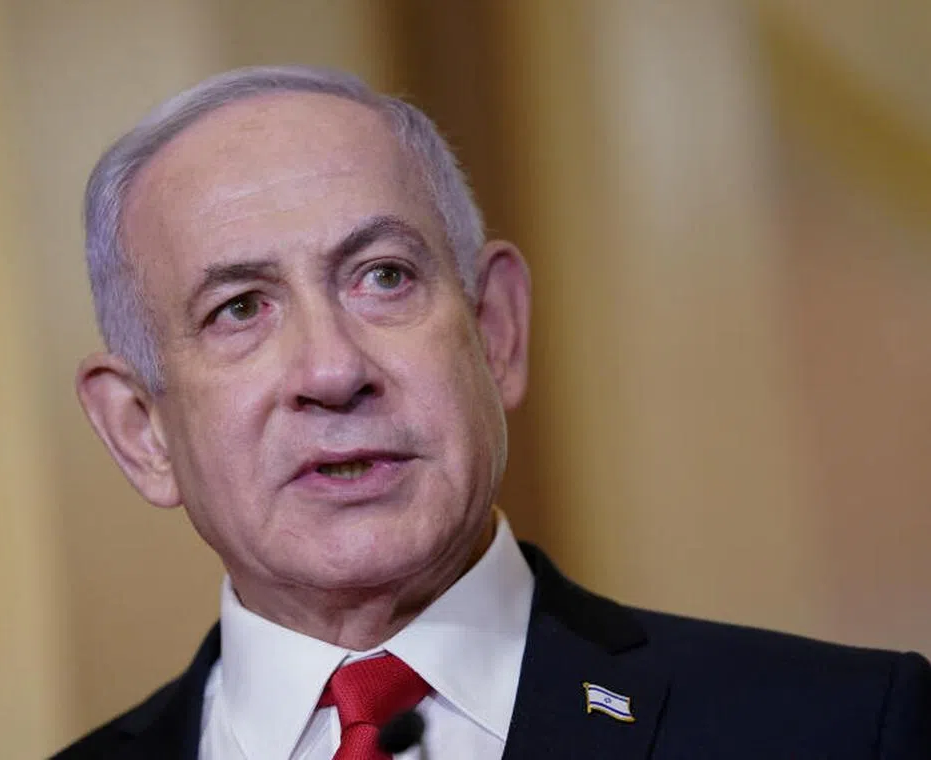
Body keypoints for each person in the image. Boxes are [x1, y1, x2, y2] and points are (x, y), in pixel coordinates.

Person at [53, 66, 930, 759]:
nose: (330, 370)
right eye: (239, 308)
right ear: (142, 431)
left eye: (384, 276)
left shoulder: (845, 730)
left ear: (497, 330)